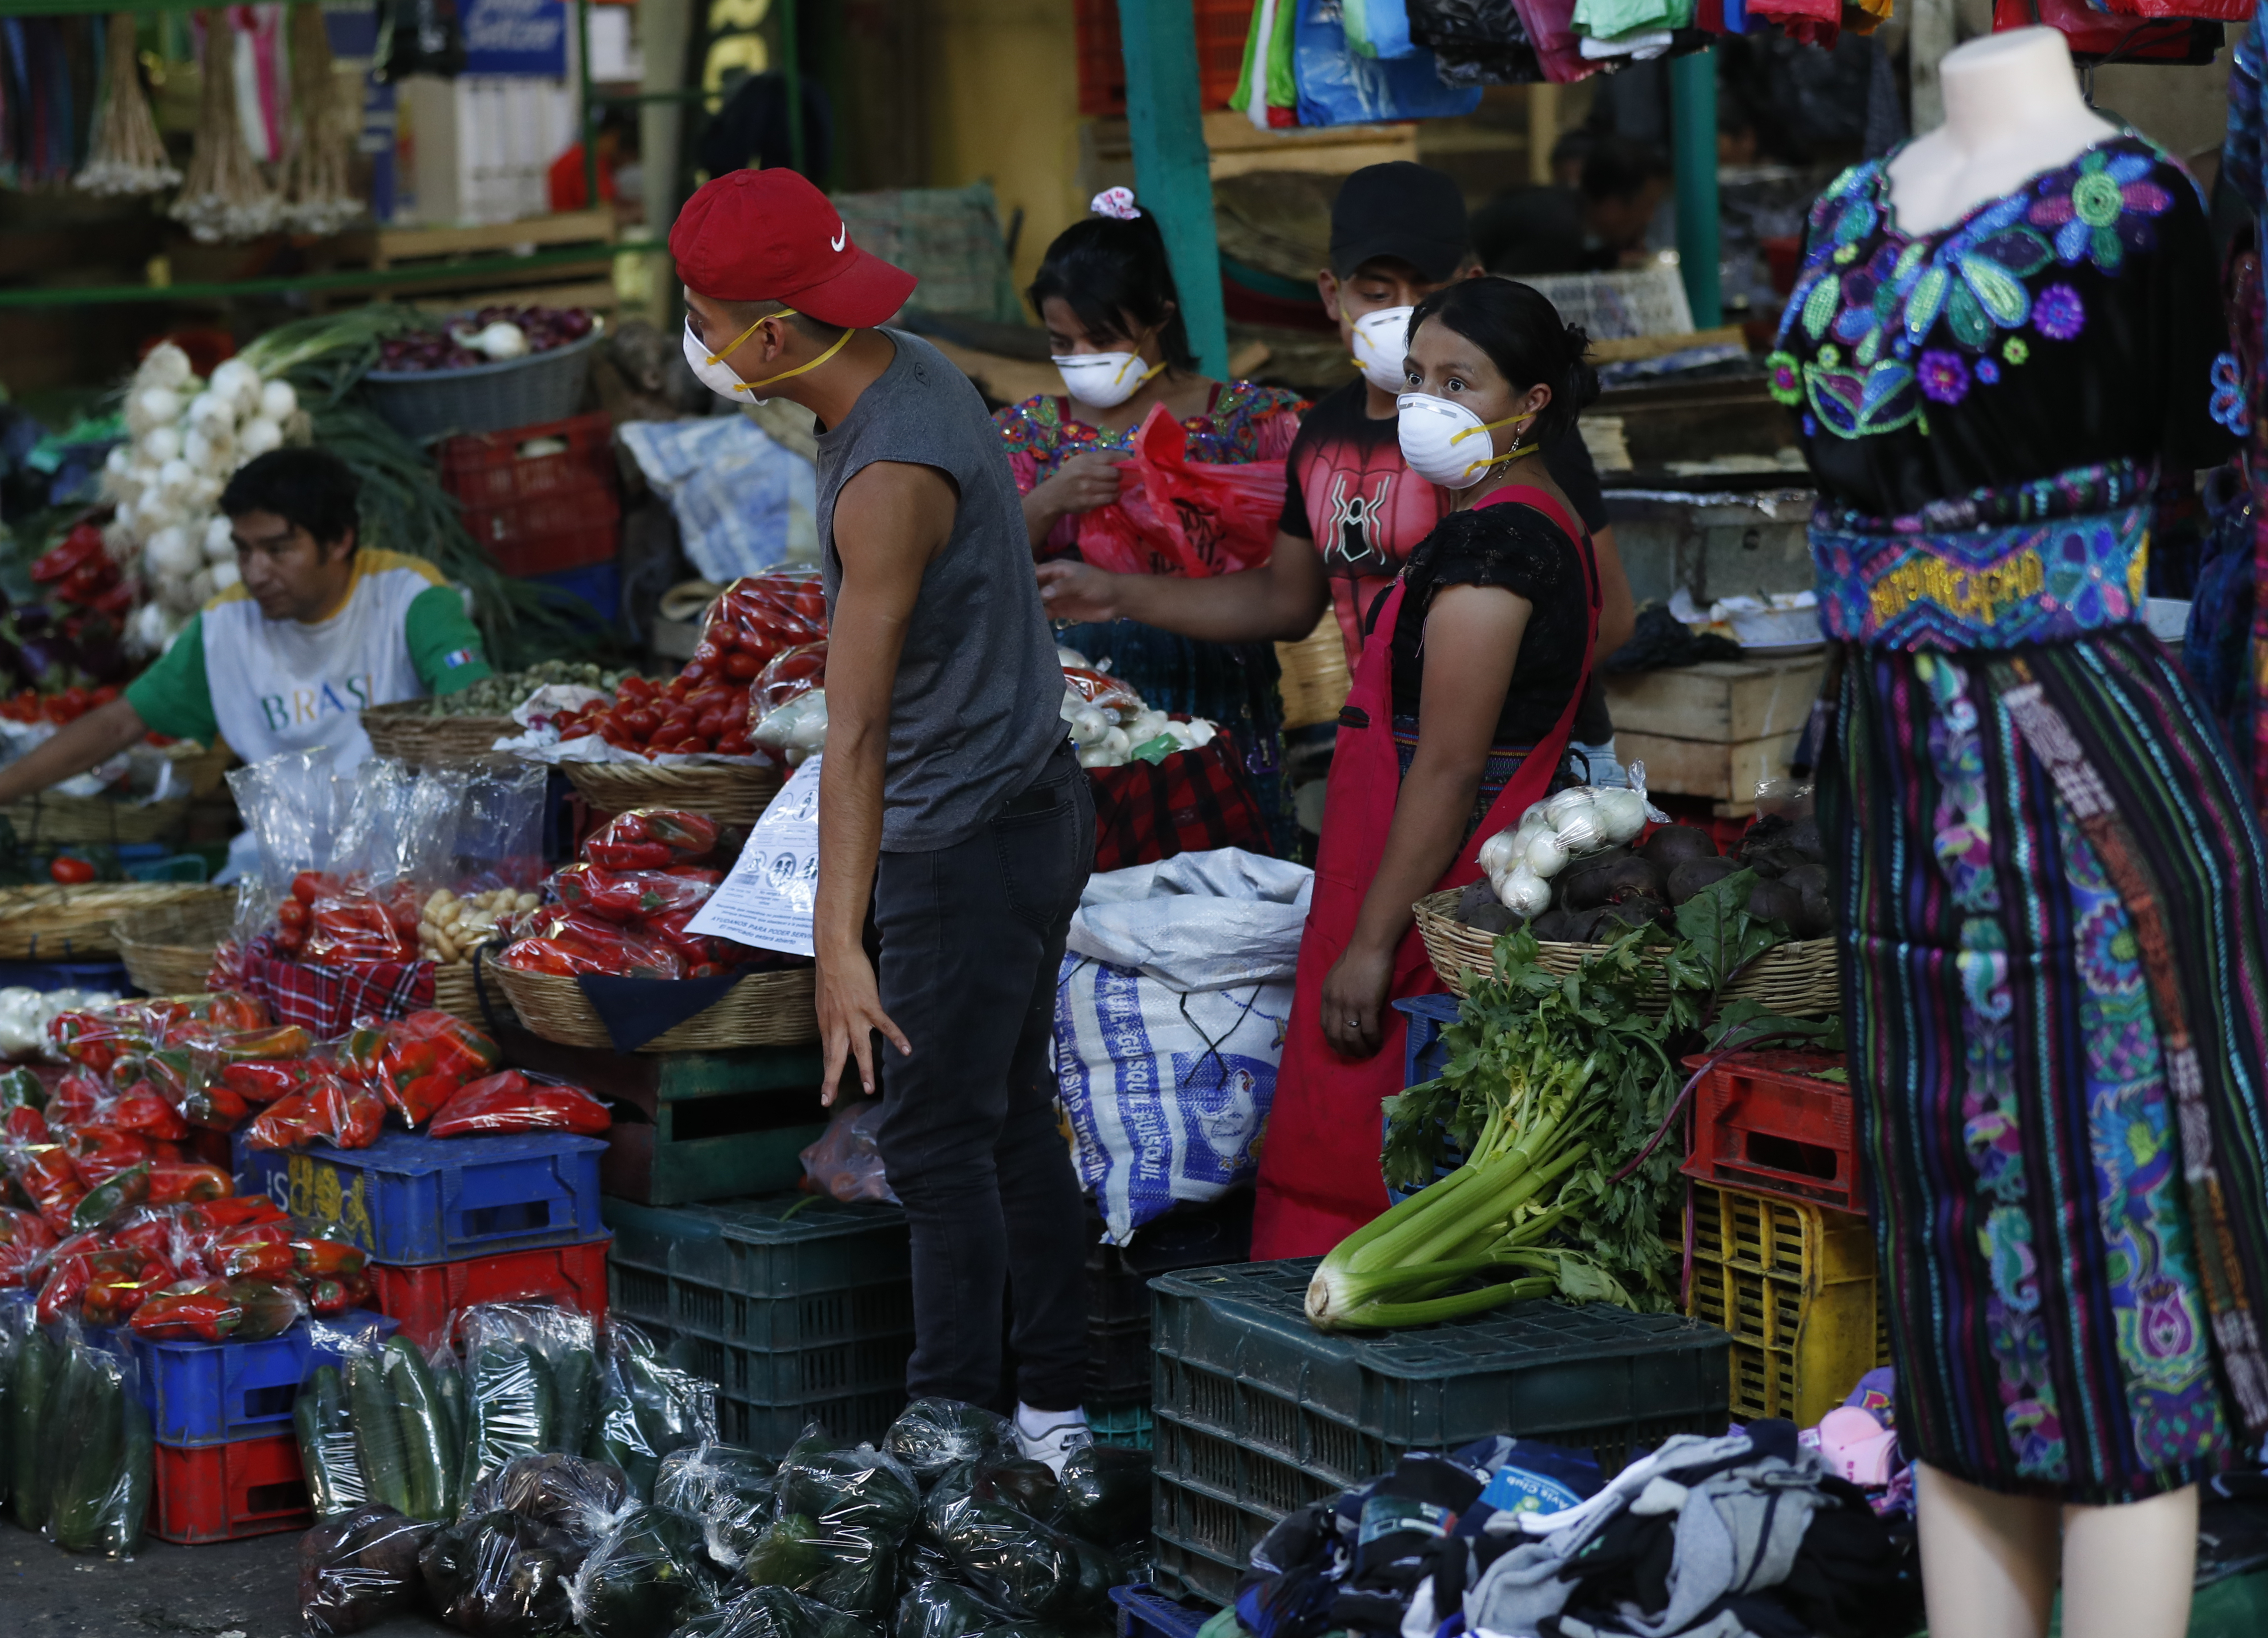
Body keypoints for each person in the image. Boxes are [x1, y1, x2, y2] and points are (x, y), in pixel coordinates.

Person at [668, 167, 1095, 1469]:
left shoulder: (881, 479)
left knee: (934, 1133)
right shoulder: (901, 365)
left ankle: (951, 1420)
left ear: (772, 339)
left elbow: (852, 738)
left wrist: (839, 942)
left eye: (702, 318)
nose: (693, 344)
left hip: (962, 835)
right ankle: (1057, 1414)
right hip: (1023, 799)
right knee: (1006, 1110)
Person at [1036, 161, 1634, 789]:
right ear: (1331, 294)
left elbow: (1611, 614)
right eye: (1374, 293)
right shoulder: (1320, 432)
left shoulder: (1509, 428)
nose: (1401, 314)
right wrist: (1112, 592)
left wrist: (1470, 727)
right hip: (1394, 758)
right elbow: (1285, 600)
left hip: (1531, 763)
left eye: (1425, 288)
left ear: (1471, 285)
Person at [1259, 278, 1602, 1256]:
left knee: (1385, 1180)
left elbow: (1448, 769)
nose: (1426, 403)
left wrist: (1370, 944)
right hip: (1418, 887)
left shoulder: (1498, 543)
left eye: (1461, 381)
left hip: (1428, 907)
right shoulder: (1509, 514)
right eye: (1416, 377)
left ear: (1531, 400)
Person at [996, 188, 1305, 850]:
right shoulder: (1032, 435)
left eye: (1102, 338)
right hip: (1078, 709)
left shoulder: (1253, 425)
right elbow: (974, 566)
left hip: (1223, 686)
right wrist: (1048, 499)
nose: (1081, 356)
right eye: (1062, 341)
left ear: (1160, 317)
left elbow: (1295, 574)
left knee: (1230, 877)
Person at [0, 446, 492, 812]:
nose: (255, 572)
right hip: (285, 876)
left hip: (410, 868)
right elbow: (119, 723)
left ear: (341, 539)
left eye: (278, 550)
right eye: (244, 549)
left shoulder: (410, 596)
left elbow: (474, 704)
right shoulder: (225, 625)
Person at [1472, 135, 1672, 278]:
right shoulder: (1558, 229)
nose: (1650, 218)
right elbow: (1501, 291)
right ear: (1612, 207)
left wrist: (1610, 260)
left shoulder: (1565, 208)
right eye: (1647, 206)